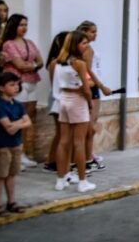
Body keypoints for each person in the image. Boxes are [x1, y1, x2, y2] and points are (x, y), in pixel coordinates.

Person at [52, 31, 96, 193]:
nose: (86, 46)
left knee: (64, 141)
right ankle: (83, 181)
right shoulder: (79, 63)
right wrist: (90, 102)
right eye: (83, 43)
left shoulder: (60, 62)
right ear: (75, 44)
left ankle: (60, 179)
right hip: (77, 101)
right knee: (79, 142)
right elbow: (86, 87)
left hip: (64, 99)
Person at [0, 14, 43, 168]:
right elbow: (20, 65)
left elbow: (40, 61)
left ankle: (24, 153)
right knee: (17, 117)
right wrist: (32, 65)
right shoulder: (9, 44)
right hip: (18, 82)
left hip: (32, 82)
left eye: (26, 24)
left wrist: (32, 65)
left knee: (29, 117)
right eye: (21, 25)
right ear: (14, 26)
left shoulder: (29, 42)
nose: (24, 28)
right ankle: (15, 154)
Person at [0, 72, 31, 217]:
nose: (16, 87)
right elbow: (8, 128)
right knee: (1, 175)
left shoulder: (18, 105)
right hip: (3, 145)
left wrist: (17, 124)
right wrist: (21, 123)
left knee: (12, 174)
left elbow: (28, 122)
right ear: (1, 88)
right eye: (11, 85)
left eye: (17, 84)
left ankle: (11, 202)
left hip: (16, 144)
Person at [77, 21, 112, 172]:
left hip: (94, 86)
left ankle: (88, 155)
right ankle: (87, 158)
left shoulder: (88, 48)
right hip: (93, 87)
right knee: (90, 126)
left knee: (91, 124)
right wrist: (101, 85)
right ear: (84, 32)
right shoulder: (87, 50)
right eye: (92, 32)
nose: (95, 35)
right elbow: (89, 71)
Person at [42, 32, 69, 174]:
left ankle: (55, 160)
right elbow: (56, 85)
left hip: (65, 99)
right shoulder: (55, 63)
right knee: (60, 133)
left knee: (62, 133)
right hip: (57, 99)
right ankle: (51, 160)